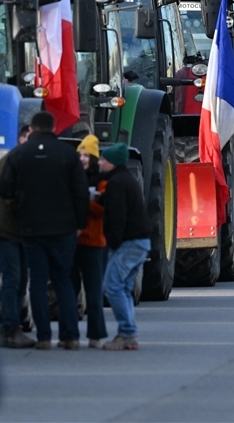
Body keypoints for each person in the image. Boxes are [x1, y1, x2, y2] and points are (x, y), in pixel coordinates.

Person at [0, 112, 88, 350]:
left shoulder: (18, 154)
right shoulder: (68, 154)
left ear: (32, 128)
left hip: (30, 227)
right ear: (54, 127)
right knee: (63, 279)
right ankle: (70, 337)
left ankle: (45, 338)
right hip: (64, 228)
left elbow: (4, 189)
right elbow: (81, 193)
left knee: (37, 281)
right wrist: (80, 224)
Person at [0, 125, 36, 349]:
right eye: (29, 139)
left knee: (19, 279)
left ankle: (11, 327)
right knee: (13, 278)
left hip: (15, 230)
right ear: (21, 139)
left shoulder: (18, 161)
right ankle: (9, 329)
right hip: (6, 229)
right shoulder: (12, 162)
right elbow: (9, 195)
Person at [99, 142, 152, 351]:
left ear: (111, 163)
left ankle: (127, 333)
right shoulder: (126, 180)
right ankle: (129, 333)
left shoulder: (116, 184)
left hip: (128, 243)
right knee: (125, 287)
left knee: (112, 285)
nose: (100, 162)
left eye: (103, 159)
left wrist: (112, 243)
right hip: (140, 242)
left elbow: (117, 217)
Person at [71, 134, 109, 348]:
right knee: (70, 290)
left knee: (94, 293)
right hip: (74, 244)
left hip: (94, 243)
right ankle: (71, 334)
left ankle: (95, 335)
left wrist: (85, 200)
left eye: (87, 155)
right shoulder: (74, 177)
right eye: (80, 155)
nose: (83, 158)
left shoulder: (102, 180)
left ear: (94, 158)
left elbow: (102, 209)